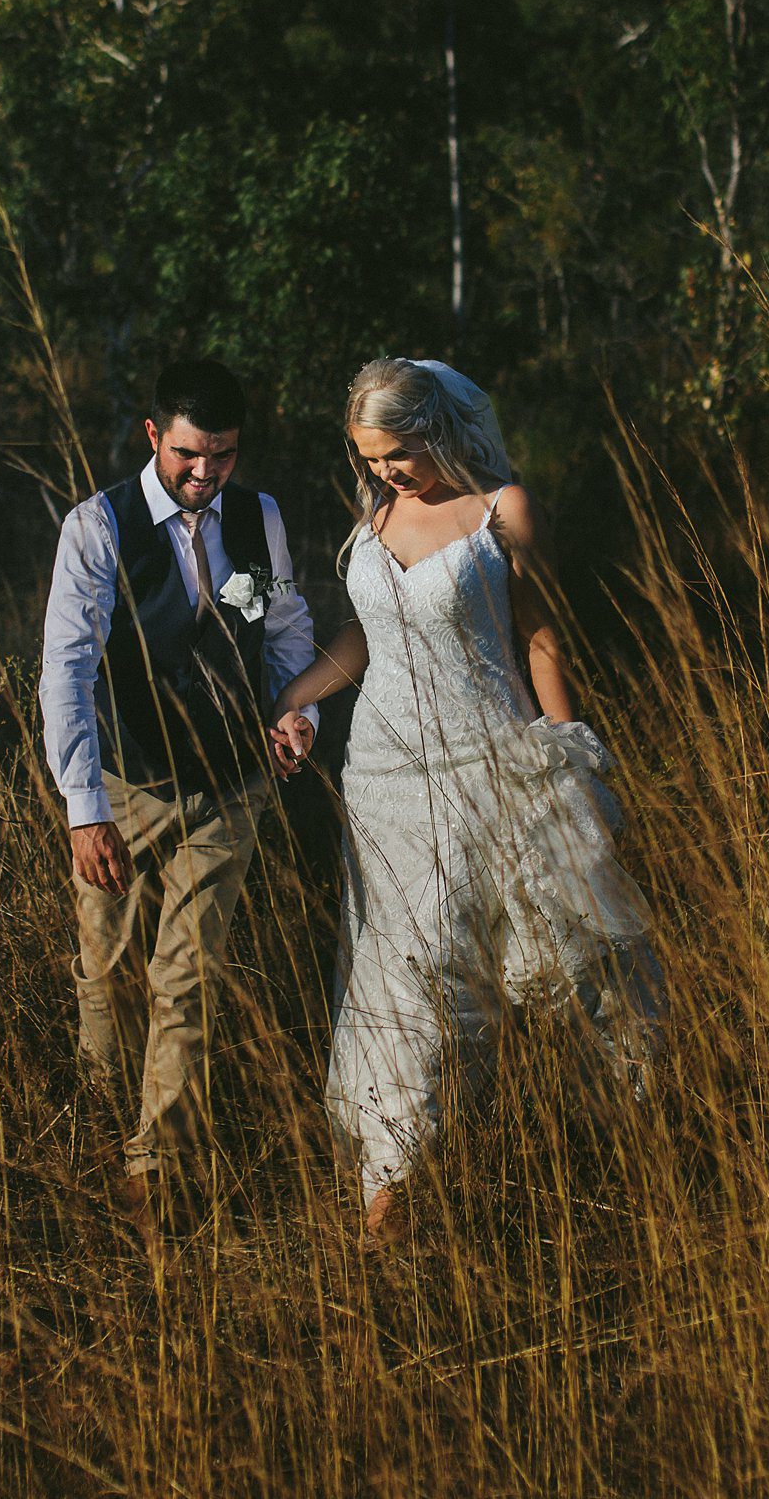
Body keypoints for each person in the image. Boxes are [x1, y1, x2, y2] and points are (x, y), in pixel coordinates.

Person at [266, 356, 663, 1239]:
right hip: (381, 782)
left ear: (438, 428)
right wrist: (296, 700)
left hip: (483, 770)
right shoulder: (376, 513)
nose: (386, 473)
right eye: (370, 458)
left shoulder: (504, 511)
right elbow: (369, 636)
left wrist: (566, 765)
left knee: (480, 973)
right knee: (396, 978)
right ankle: (391, 1191)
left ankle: (589, 1160)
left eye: (398, 452)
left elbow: (541, 638)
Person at [39, 357, 319, 1238]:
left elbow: (281, 627)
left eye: (224, 457)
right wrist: (84, 807)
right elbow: (67, 670)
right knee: (108, 970)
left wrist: (294, 712)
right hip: (127, 785)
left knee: (187, 974)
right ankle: (96, 1124)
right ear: (153, 436)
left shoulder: (257, 516)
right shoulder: (98, 527)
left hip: (232, 783)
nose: (206, 475)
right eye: (191, 455)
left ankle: (156, 1166)